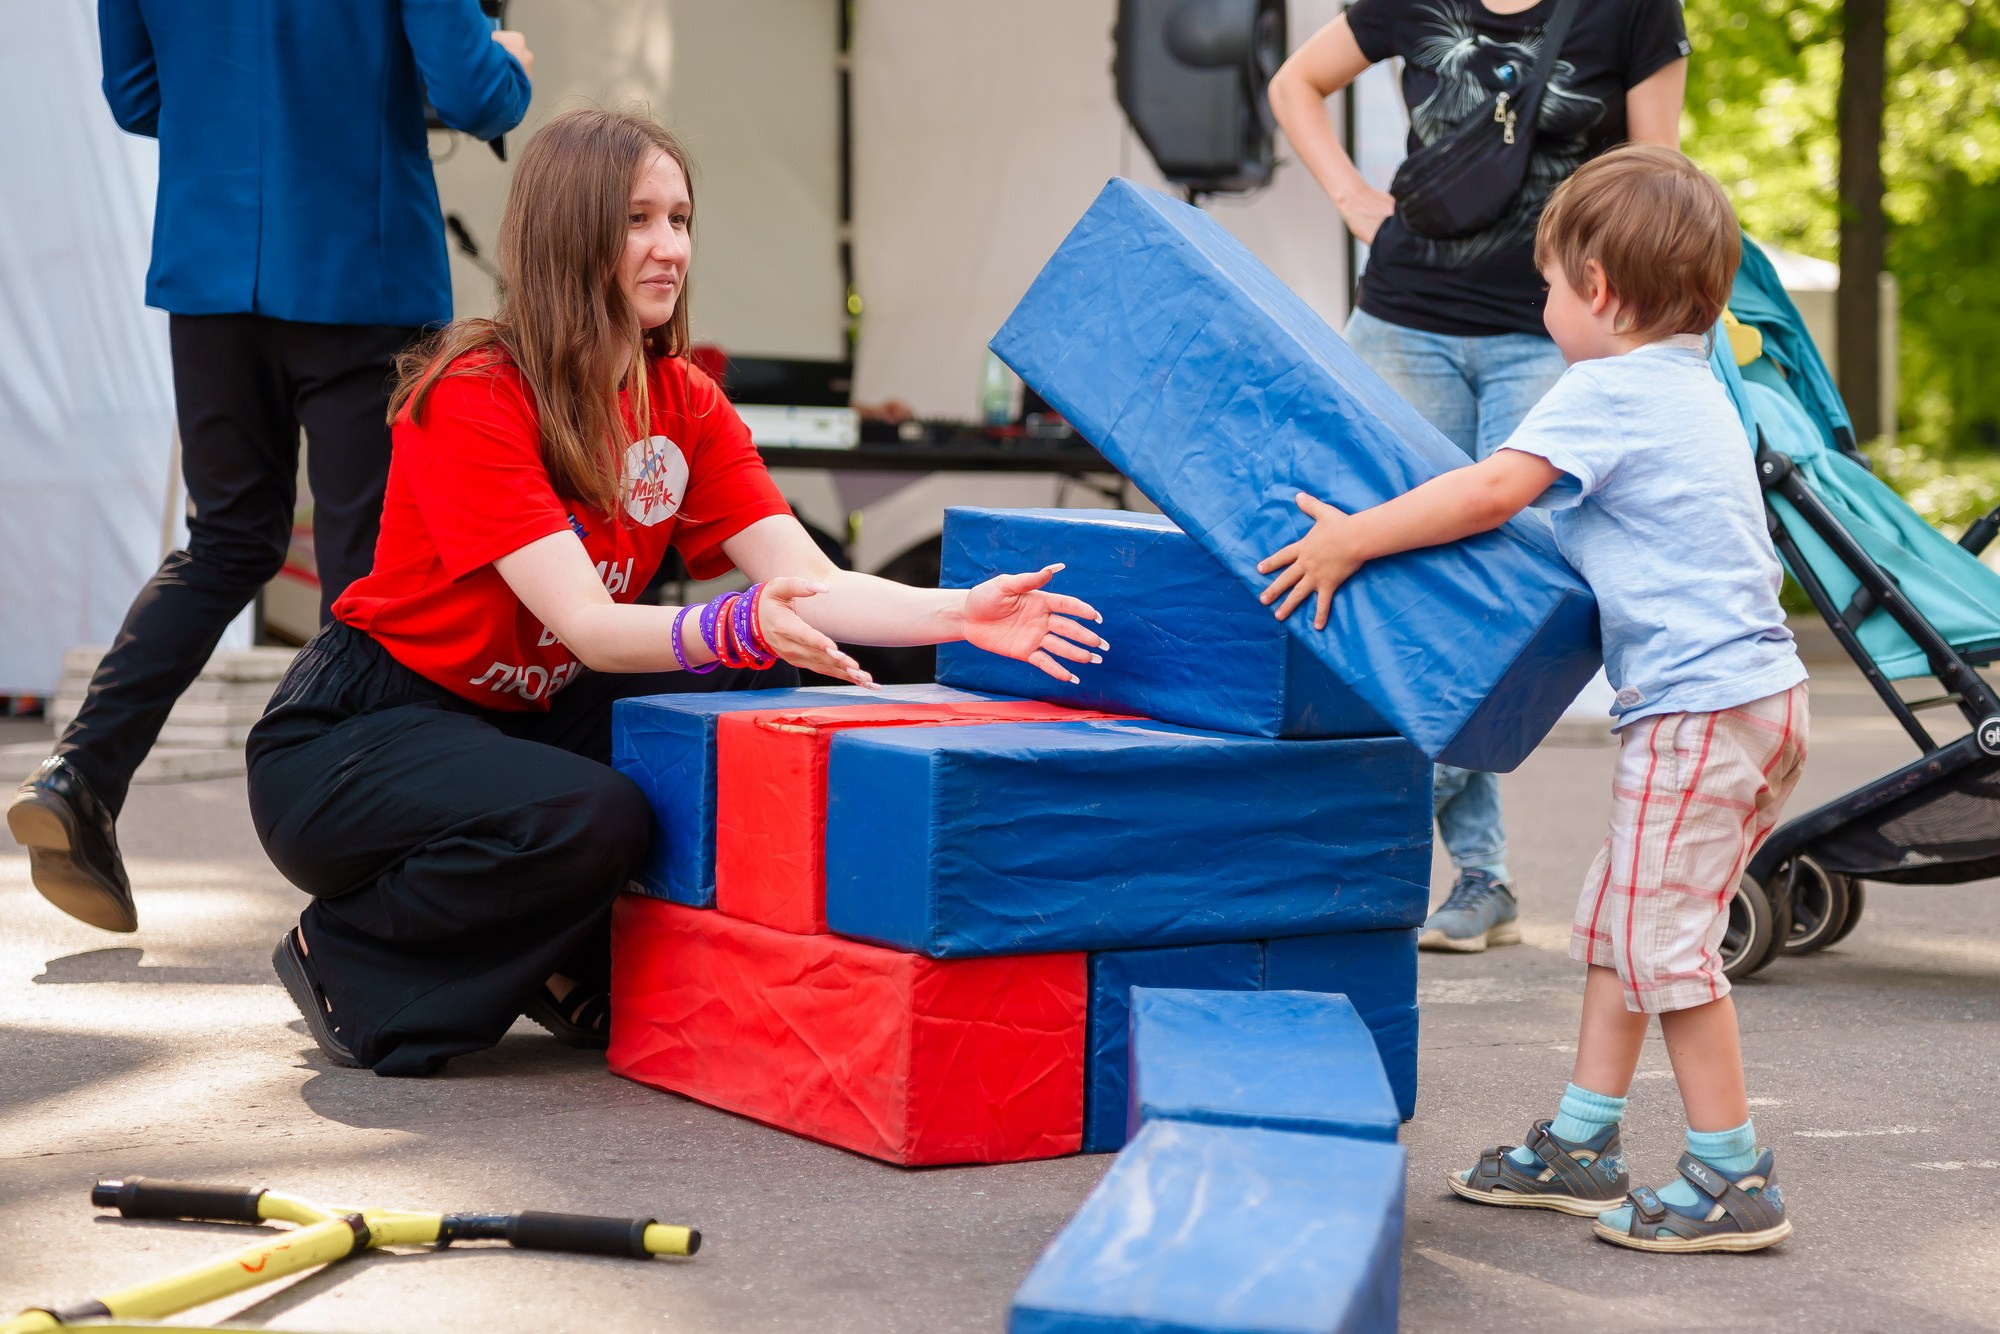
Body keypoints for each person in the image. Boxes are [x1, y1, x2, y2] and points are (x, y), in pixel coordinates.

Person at [241, 109, 1110, 1079]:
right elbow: (592, 627)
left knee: (745, 691)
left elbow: (803, 578)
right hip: (356, 736)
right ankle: (347, 956)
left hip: (512, 718)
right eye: (637, 221)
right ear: (569, 233)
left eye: (681, 220)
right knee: (595, 806)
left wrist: (955, 613)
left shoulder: (683, 401)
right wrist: (737, 621)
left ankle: (571, 958)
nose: (669, 248)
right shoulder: (476, 392)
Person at [1260, 145, 1807, 1252]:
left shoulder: (1607, 388)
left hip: (1700, 709)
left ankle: (1730, 1173)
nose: (1543, 307)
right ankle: (1579, 1139)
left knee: (1666, 949)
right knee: (1621, 923)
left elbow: (1494, 489)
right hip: (1744, 702)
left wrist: (1353, 538)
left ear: (1596, 291)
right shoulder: (1693, 387)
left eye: (1547, 286)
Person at [8, 0, 533, 935]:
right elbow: (471, 89)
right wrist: (508, 64)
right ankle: (374, 867)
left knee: (226, 542)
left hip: (210, 274)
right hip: (359, 274)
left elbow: (135, 98)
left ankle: (81, 773)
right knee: (373, 572)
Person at [1269, 0, 1690, 953]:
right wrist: (1351, 199)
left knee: (1505, 591)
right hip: (1404, 315)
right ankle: (1483, 874)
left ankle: (1367, 823)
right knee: (1393, 577)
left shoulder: (1632, 9)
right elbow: (1293, 82)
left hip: (1553, 331)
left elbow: (1659, 175)